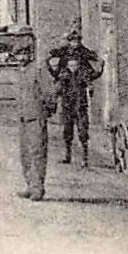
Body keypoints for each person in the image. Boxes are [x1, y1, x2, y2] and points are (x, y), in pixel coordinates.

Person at [46, 28, 103, 167]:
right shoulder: (64, 60)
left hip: (80, 103)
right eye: (72, 41)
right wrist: (50, 61)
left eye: (77, 41)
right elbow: (54, 58)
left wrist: (100, 65)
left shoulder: (83, 57)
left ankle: (85, 158)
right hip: (68, 102)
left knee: (83, 130)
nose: (74, 43)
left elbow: (94, 63)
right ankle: (68, 155)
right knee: (68, 129)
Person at [16, 50, 59, 200]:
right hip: (24, 117)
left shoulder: (39, 70)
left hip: (36, 117)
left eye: (23, 54)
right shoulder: (22, 72)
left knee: (37, 153)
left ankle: (37, 189)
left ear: (30, 55)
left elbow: (50, 92)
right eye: (18, 55)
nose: (21, 58)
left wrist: (47, 110)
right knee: (25, 154)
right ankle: (29, 185)